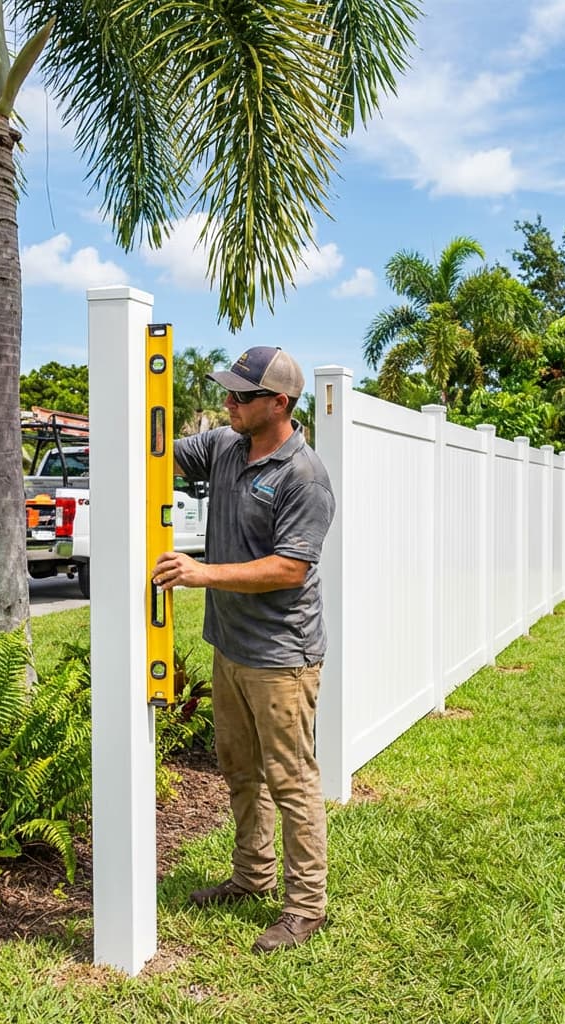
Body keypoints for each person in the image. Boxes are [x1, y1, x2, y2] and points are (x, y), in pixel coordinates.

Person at [153, 346, 335, 954]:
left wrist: (202, 574)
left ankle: (306, 907)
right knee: (238, 768)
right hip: (230, 646)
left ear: (279, 403)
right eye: (227, 393)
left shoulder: (303, 476)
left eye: (240, 396)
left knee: (290, 778)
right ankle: (251, 877)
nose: (227, 404)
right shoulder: (227, 446)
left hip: (282, 655)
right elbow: (160, 450)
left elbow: (288, 569)